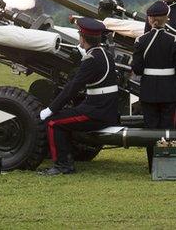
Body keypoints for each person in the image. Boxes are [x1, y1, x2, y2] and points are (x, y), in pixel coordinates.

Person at [38, 17, 120, 176]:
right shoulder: (105, 53)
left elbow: (71, 88)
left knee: (54, 122)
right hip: (105, 109)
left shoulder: (91, 59)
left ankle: (63, 165)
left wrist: (50, 109)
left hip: (97, 113)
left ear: (83, 37)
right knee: (65, 117)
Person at [132, 0, 176, 170]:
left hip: (149, 90)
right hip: (169, 90)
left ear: (150, 19)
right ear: (167, 18)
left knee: (151, 129)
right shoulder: (174, 40)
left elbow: (137, 69)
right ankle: (167, 165)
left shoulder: (141, 40)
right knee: (167, 128)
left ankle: (152, 166)